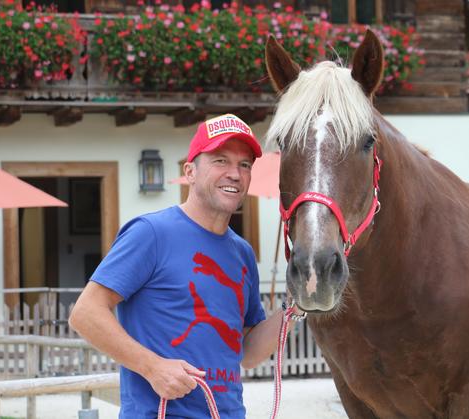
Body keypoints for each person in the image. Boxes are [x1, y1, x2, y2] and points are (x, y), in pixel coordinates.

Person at [69, 113, 304, 419]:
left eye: (244, 164)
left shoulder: (242, 253)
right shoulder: (150, 233)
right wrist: (152, 367)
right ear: (190, 171)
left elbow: (246, 352)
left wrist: (297, 305)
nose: (235, 173)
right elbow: (85, 313)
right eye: (220, 160)